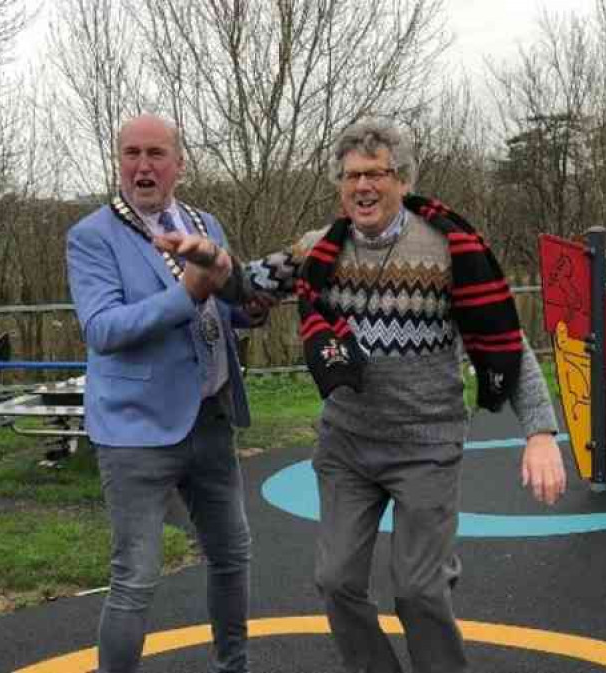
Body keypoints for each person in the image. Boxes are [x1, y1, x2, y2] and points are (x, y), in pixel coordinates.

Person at [169, 117, 567, 673]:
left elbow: (507, 342)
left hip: (426, 445)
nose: (363, 186)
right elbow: (247, 286)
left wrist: (540, 432)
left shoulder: (449, 250)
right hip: (348, 446)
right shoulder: (318, 251)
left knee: (419, 591)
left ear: (402, 180)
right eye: (352, 175)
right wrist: (212, 260)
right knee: (335, 582)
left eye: (377, 174)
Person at [66, 114, 254, 673]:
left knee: (232, 556)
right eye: (130, 153)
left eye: (155, 154)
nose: (142, 166)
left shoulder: (206, 221)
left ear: (179, 164)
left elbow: (229, 308)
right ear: (118, 160)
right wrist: (188, 293)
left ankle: (234, 667)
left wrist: (251, 304)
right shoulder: (93, 235)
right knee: (135, 579)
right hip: (136, 432)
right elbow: (103, 329)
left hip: (210, 418)